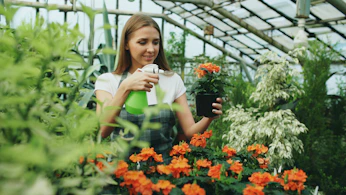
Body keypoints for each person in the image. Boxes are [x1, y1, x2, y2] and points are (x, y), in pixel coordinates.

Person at [94, 13, 222, 160]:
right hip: (121, 173)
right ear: (126, 44)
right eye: (142, 42)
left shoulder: (172, 80)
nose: (151, 49)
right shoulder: (107, 81)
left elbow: (190, 132)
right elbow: (103, 131)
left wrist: (209, 117)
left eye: (155, 42)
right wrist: (125, 88)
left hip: (162, 174)